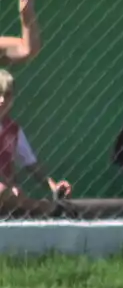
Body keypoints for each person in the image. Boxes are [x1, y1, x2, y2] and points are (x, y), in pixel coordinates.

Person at [0, 69, 71, 218]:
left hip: (10, 194)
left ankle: (42, 206)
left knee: (7, 192)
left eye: (6, 95)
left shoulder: (13, 130)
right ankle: (44, 208)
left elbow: (31, 164)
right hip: (6, 191)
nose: (1, 100)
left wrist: (54, 186)